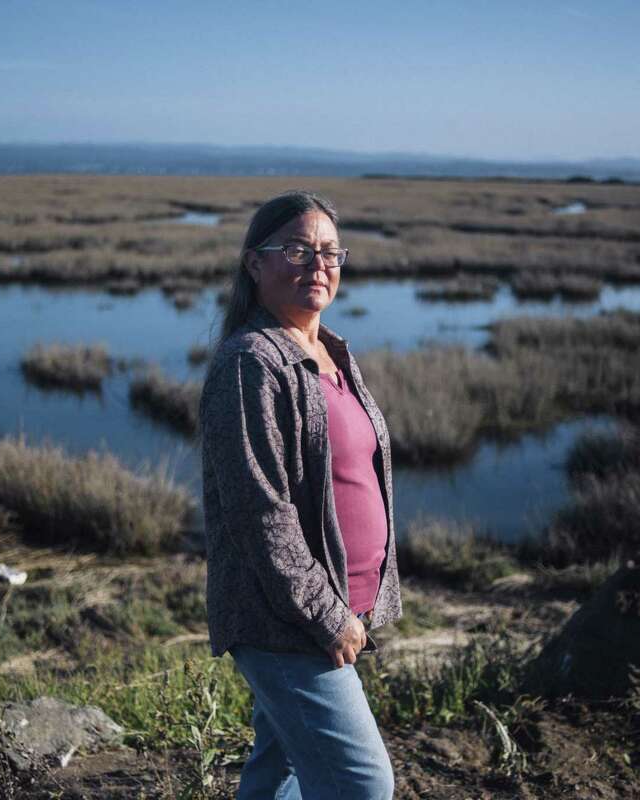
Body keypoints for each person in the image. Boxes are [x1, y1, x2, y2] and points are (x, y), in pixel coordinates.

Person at [200, 189, 401, 799]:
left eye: (330, 252)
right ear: (255, 264)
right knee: (364, 785)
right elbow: (261, 512)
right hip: (285, 620)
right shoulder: (252, 364)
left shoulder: (331, 351)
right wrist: (327, 614)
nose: (318, 264)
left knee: (278, 771)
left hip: (334, 606)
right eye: (296, 249)